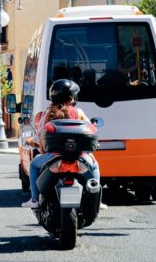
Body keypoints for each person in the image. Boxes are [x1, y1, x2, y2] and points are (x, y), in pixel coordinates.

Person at [21, 79, 105, 210]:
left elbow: (40, 138)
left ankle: (34, 199)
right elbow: (91, 130)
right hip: (79, 156)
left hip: (53, 157)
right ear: (71, 97)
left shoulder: (48, 113)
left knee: (33, 165)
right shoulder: (78, 112)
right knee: (94, 166)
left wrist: (37, 146)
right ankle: (97, 201)